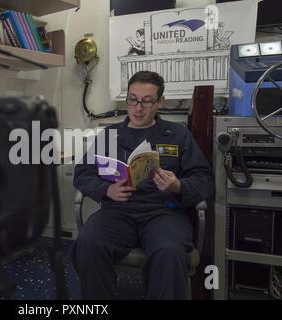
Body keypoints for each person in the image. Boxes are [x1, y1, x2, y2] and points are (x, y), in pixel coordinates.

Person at [71, 71, 214, 299]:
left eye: (147, 101)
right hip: (118, 211)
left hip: (164, 213)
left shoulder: (178, 135)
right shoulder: (110, 135)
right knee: (88, 243)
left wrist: (177, 185)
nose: (138, 108)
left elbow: (204, 179)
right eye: (132, 99)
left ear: (159, 102)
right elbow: (82, 173)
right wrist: (106, 190)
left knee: (169, 251)